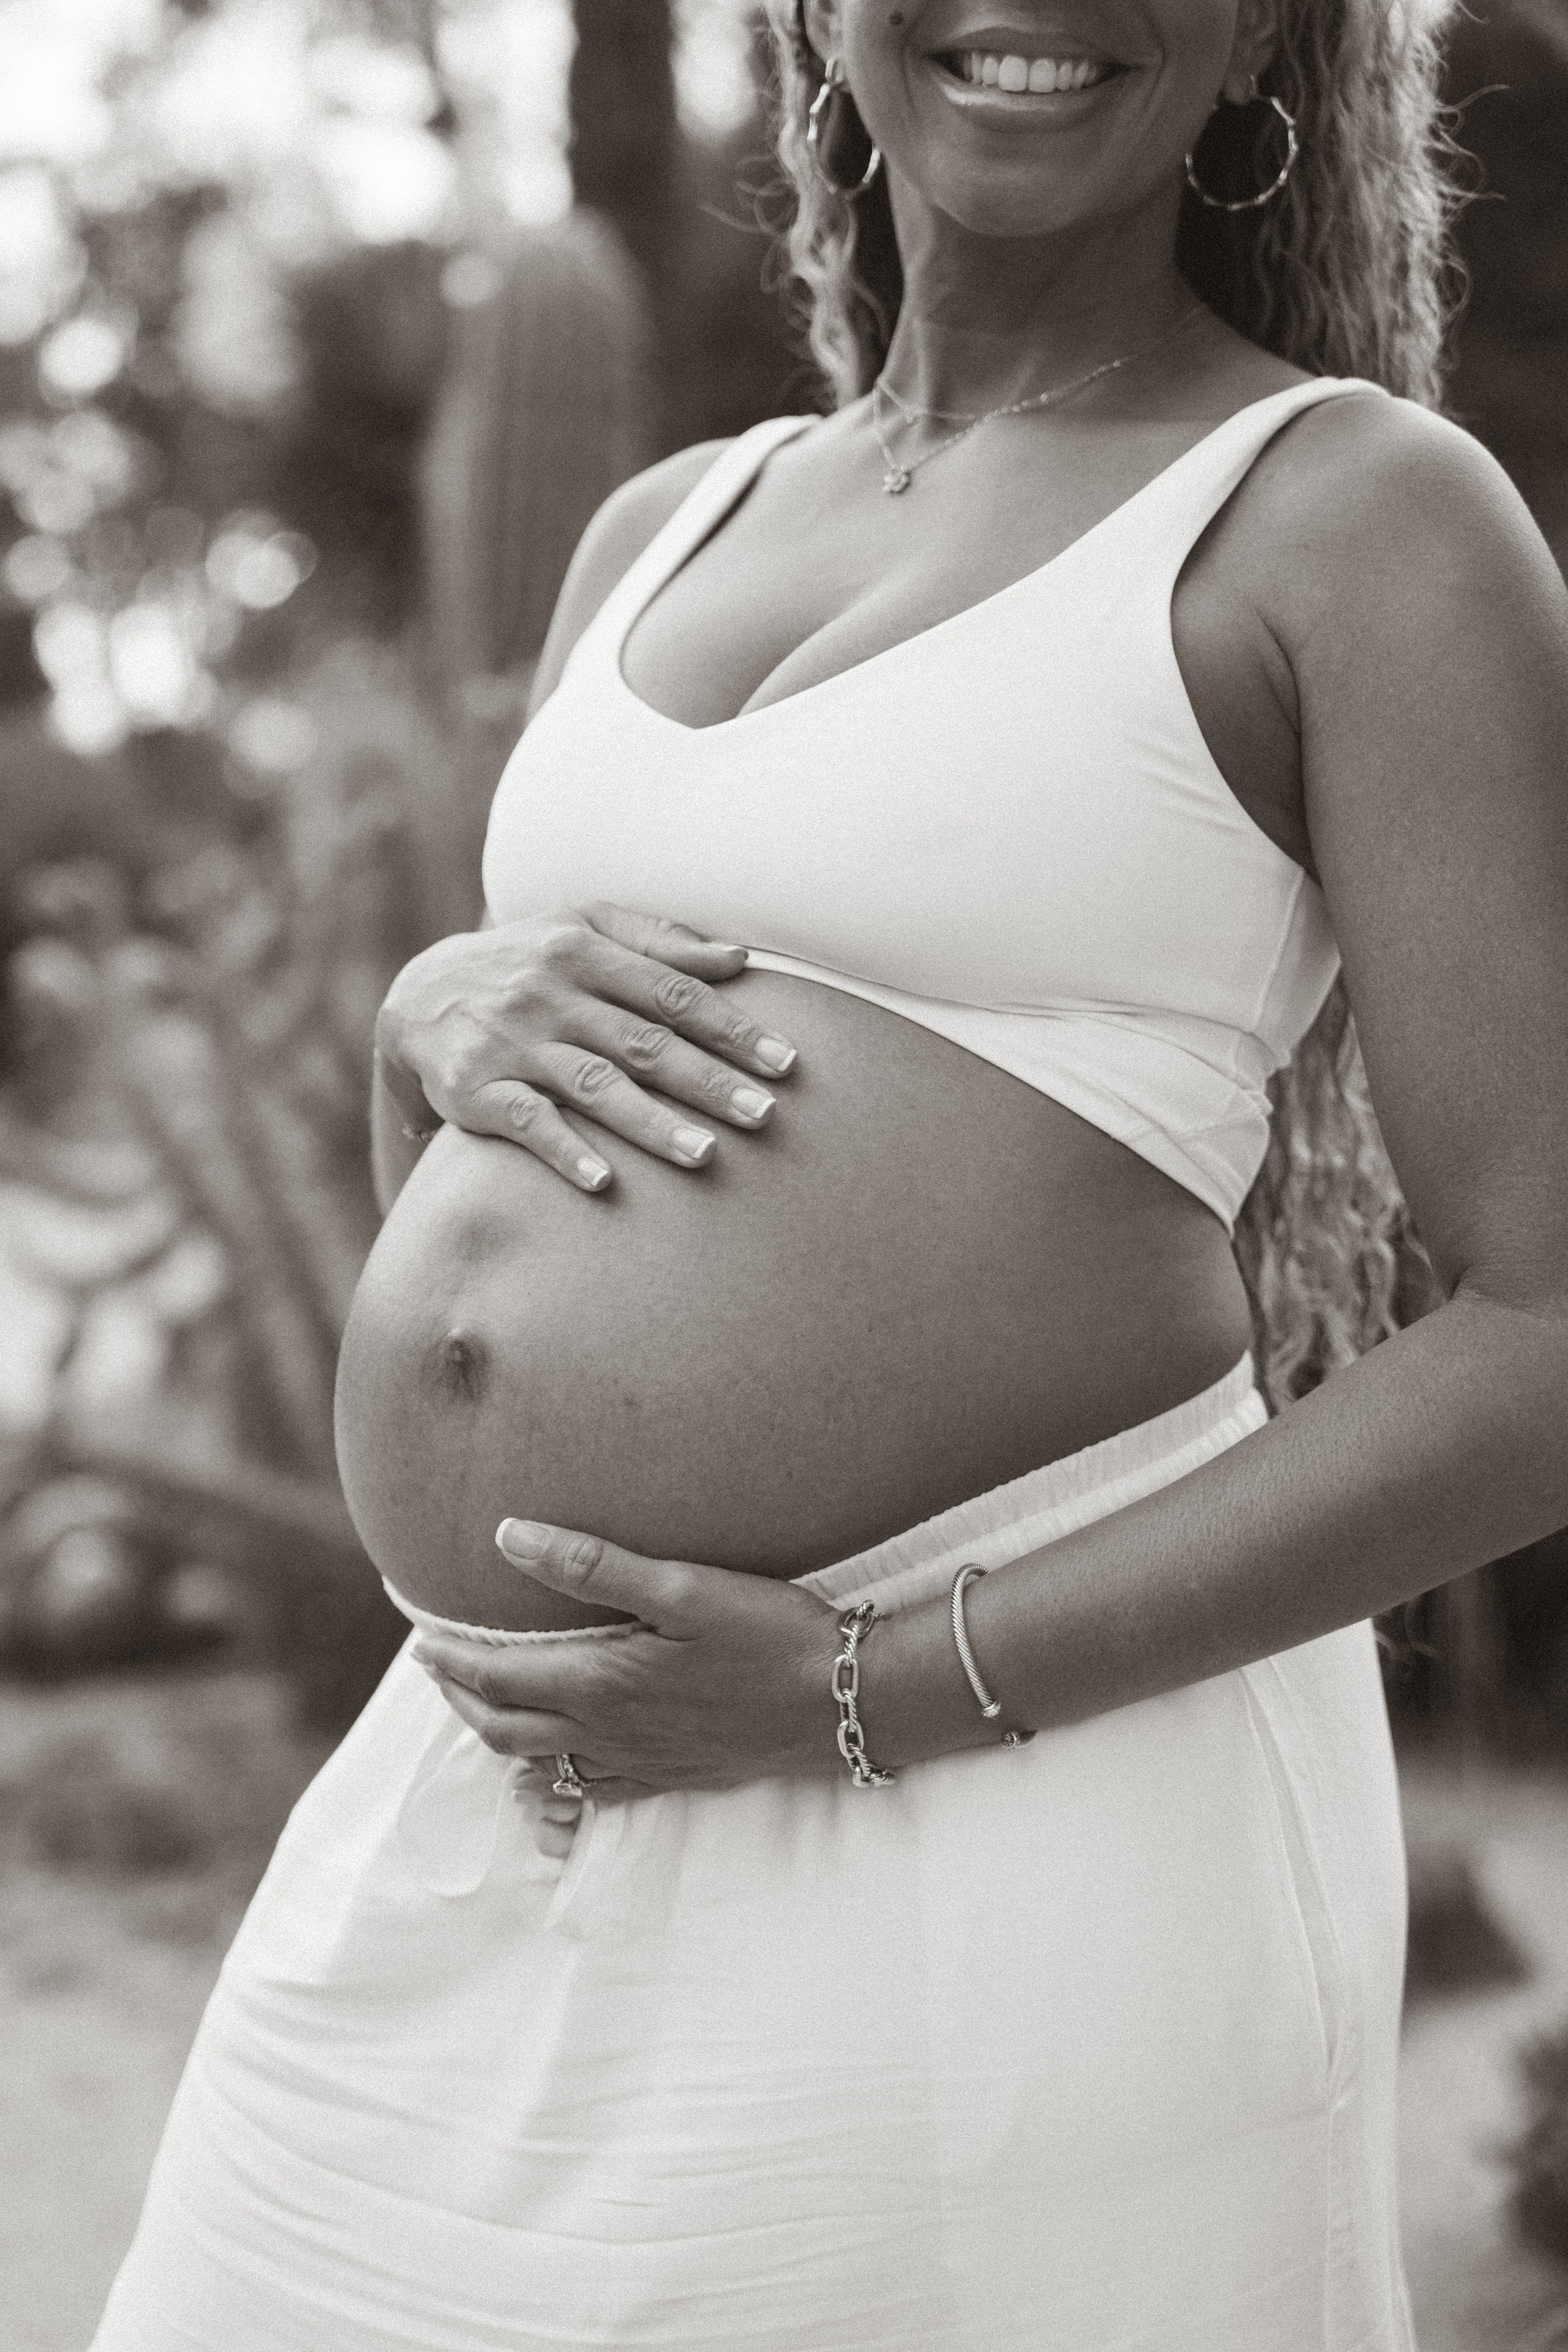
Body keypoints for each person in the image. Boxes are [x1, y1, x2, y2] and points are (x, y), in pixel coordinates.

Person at [94, 2, 1568, 2346]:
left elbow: (1544, 1340)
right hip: (486, 1798)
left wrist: (871, 1685)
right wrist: (423, 1026)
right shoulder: (650, 529)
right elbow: (512, 1211)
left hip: (1006, 1805)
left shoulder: (1355, 518)